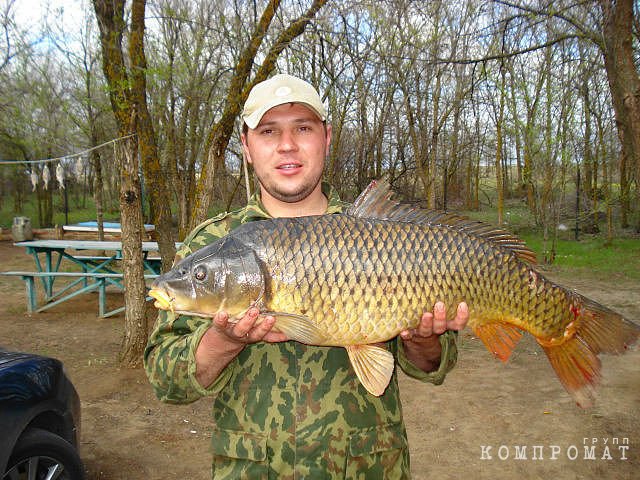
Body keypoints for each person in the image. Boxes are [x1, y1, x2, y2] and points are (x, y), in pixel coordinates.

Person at [144, 74, 469, 479]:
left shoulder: (391, 236)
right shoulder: (213, 241)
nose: (287, 145)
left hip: (367, 467)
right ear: (246, 146)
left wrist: (425, 339)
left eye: (303, 128)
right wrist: (221, 341)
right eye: (268, 132)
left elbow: (434, 364)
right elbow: (165, 379)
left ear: (326, 138)